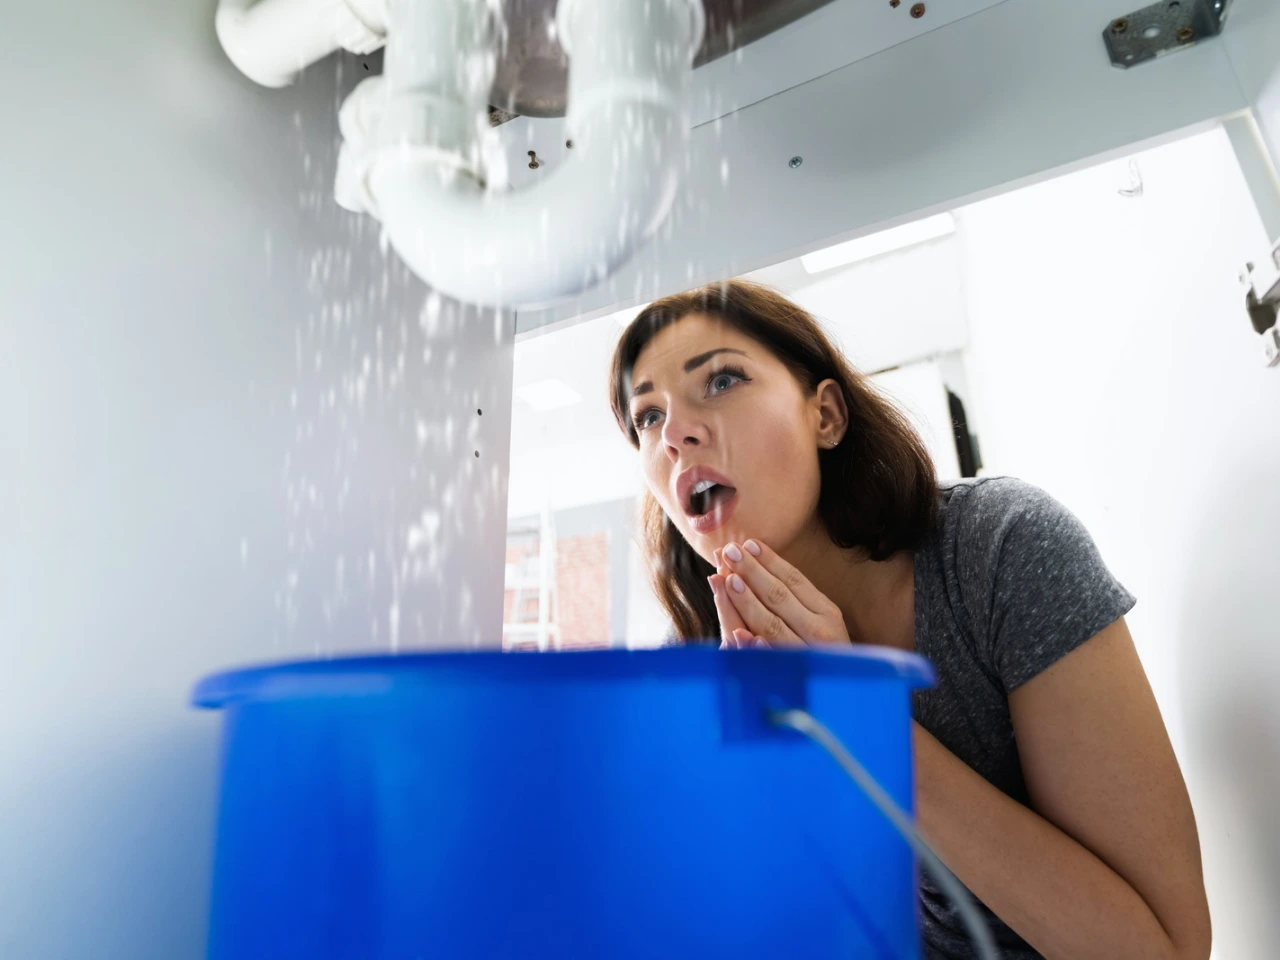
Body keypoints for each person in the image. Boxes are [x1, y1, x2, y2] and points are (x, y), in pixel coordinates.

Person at [607, 280, 1211, 959]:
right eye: (647, 418)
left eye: (721, 379)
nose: (676, 436)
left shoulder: (998, 552)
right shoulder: (692, 660)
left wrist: (863, 722)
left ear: (826, 415)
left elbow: (1163, 950)